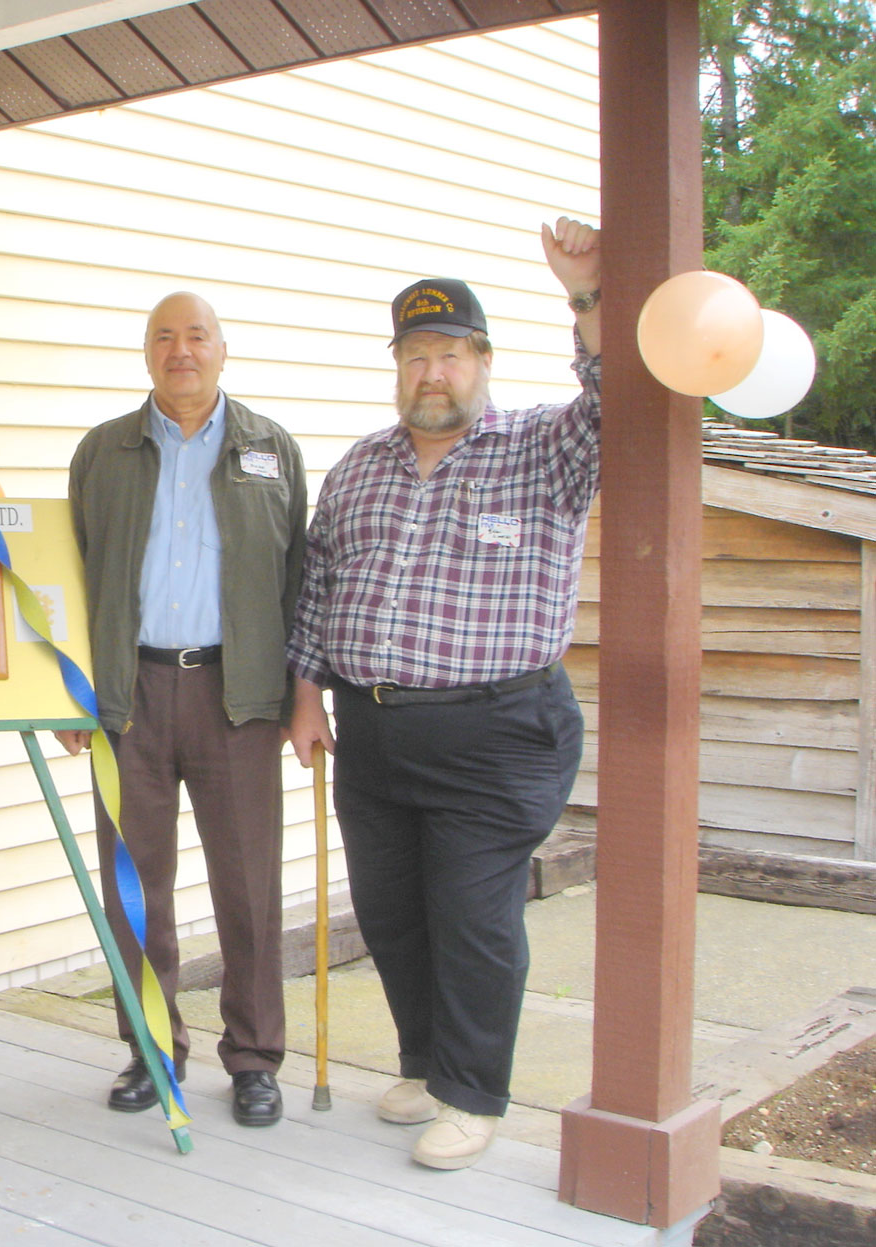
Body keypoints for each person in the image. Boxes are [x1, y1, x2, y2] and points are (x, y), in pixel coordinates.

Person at [287, 217, 601, 1170]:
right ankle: (425, 1064)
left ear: (483, 361)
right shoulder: (359, 467)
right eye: (416, 354)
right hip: (372, 731)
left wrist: (586, 298)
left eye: (451, 353)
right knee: (390, 909)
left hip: (500, 731)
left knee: (471, 914)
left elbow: (620, 401)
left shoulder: (545, 448)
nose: (433, 372)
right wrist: (306, 691)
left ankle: (473, 1094)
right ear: (398, 365)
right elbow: (317, 584)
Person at [58, 292, 308, 1127]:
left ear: (223, 350)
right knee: (136, 885)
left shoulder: (272, 448)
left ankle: (254, 1057)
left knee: (249, 885)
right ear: (146, 354)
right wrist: (72, 693)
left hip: (237, 698)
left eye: (196, 335)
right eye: (164, 337)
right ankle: (151, 1046)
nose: (181, 351)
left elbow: (298, 581)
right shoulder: (103, 452)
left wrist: (302, 695)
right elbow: (71, 577)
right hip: (129, 698)